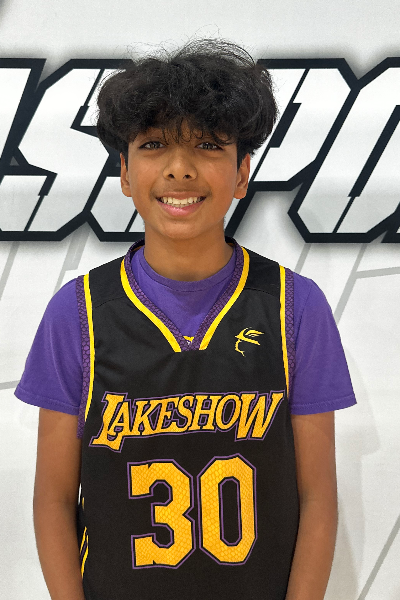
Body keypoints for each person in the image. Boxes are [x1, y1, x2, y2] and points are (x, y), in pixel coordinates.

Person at [15, 39, 356, 600]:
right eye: (154, 145)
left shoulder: (294, 306)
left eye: (207, 145)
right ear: (125, 173)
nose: (180, 168)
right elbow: (53, 500)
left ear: (242, 173)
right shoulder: (78, 313)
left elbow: (317, 498)